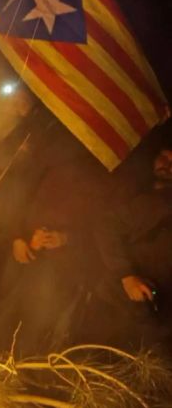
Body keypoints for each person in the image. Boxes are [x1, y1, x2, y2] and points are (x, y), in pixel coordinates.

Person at [91, 144, 172, 349]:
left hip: (156, 321)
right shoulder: (156, 203)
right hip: (118, 305)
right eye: (164, 156)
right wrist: (126, 276)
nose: (167, 165)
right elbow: (106, 225)